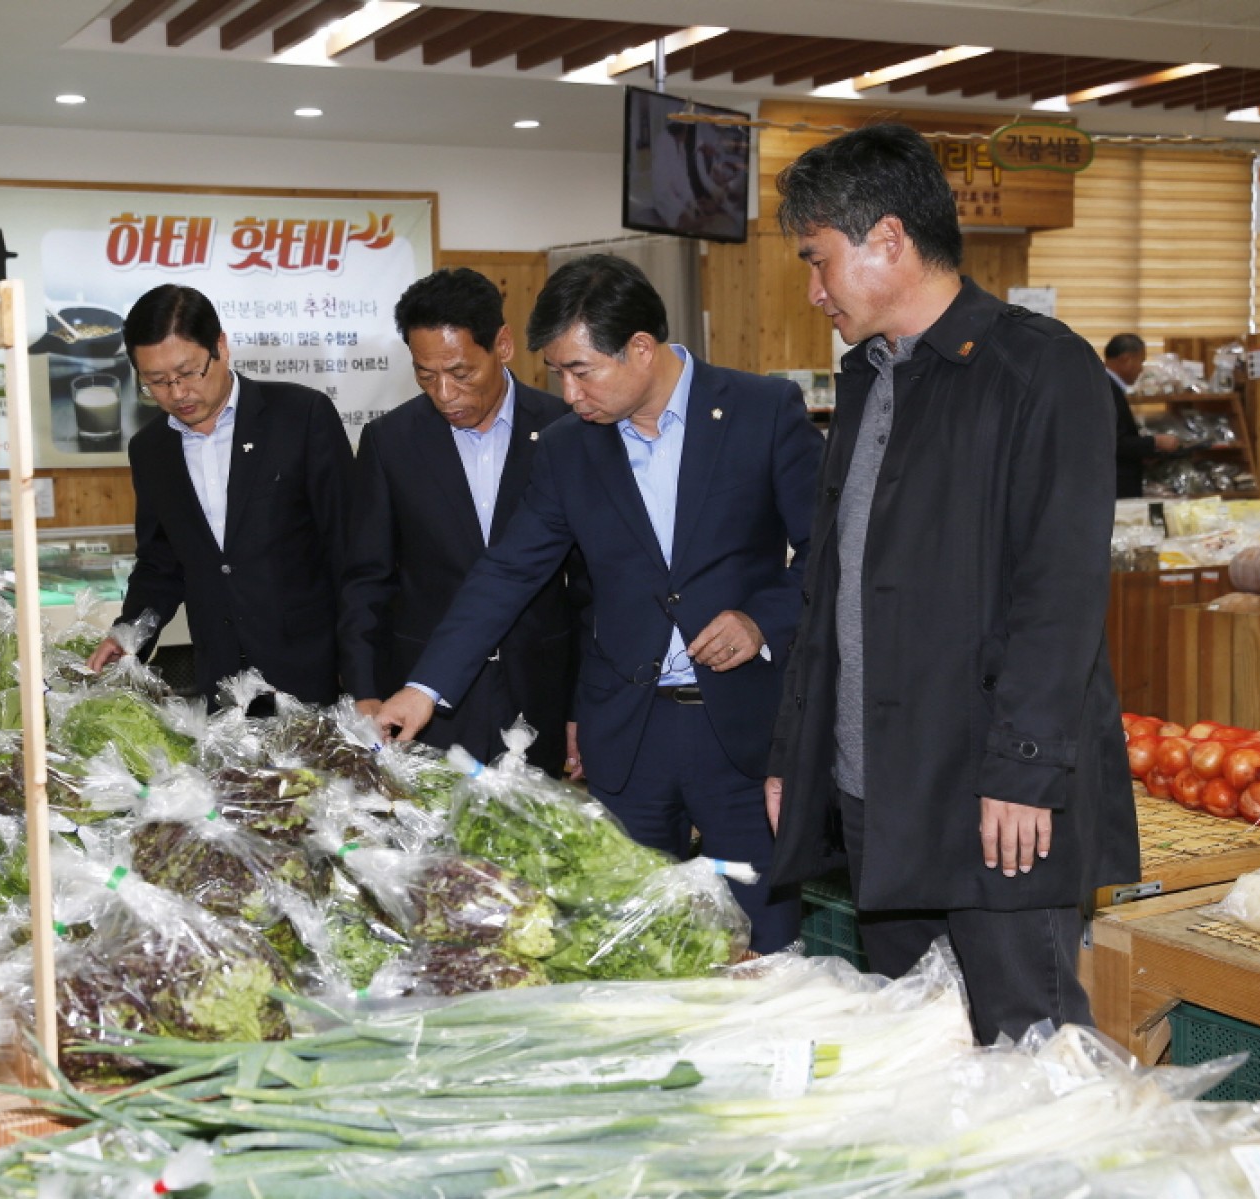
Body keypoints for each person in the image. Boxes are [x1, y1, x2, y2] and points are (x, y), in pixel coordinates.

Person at [766, 123, 1139, 1045]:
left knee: (1028, 1047)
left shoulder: (1040, 369)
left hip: (991, 799)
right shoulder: (867, 377)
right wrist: (795, 751)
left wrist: (1023, 773)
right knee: (916, 1052)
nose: (813, 291)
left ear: (888, 239)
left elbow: (1059, 594)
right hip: (878, 789)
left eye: (819, 262)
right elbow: (832, 584)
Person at [372, 254, 822, 951]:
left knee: (761, 940)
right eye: (558, 373)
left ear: (640, 349)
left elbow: (833, 556)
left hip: (736, 732)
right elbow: (507, 572)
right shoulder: (568, 448)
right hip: (627, 740)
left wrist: (762, 617)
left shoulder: (761, 411)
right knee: (630, 944)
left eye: (582, 370)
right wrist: (423, 688)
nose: (569, 391)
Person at [340, 268, 580, 775]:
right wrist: (364, 691)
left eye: (461, 372)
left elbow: (590, 585)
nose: (445, 393)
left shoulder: (567, 429)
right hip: (424, 699)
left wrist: (584, 707)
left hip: (539, 690)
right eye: (426, 376)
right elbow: (368, 579)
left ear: (504, 345)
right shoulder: (391, 442)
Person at [87, 284, 352, 705]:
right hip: (221, 677)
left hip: (313, 669)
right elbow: (160, 561)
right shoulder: (151, 448)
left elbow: (348, 549)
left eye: (189, 372)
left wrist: (361, 670)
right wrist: (129, 634)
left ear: (221, 348)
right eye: (156, 381)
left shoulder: (301, 417)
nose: (177, 393)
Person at [1104, 333, 1180, 499]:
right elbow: (1114, 441)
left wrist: (1144, 453)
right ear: (1126, 359)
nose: (1141, 369)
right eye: (1141, 361)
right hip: (1117, 485)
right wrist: (1156, 441)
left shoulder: (1106, 385)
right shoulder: (1107, 390)